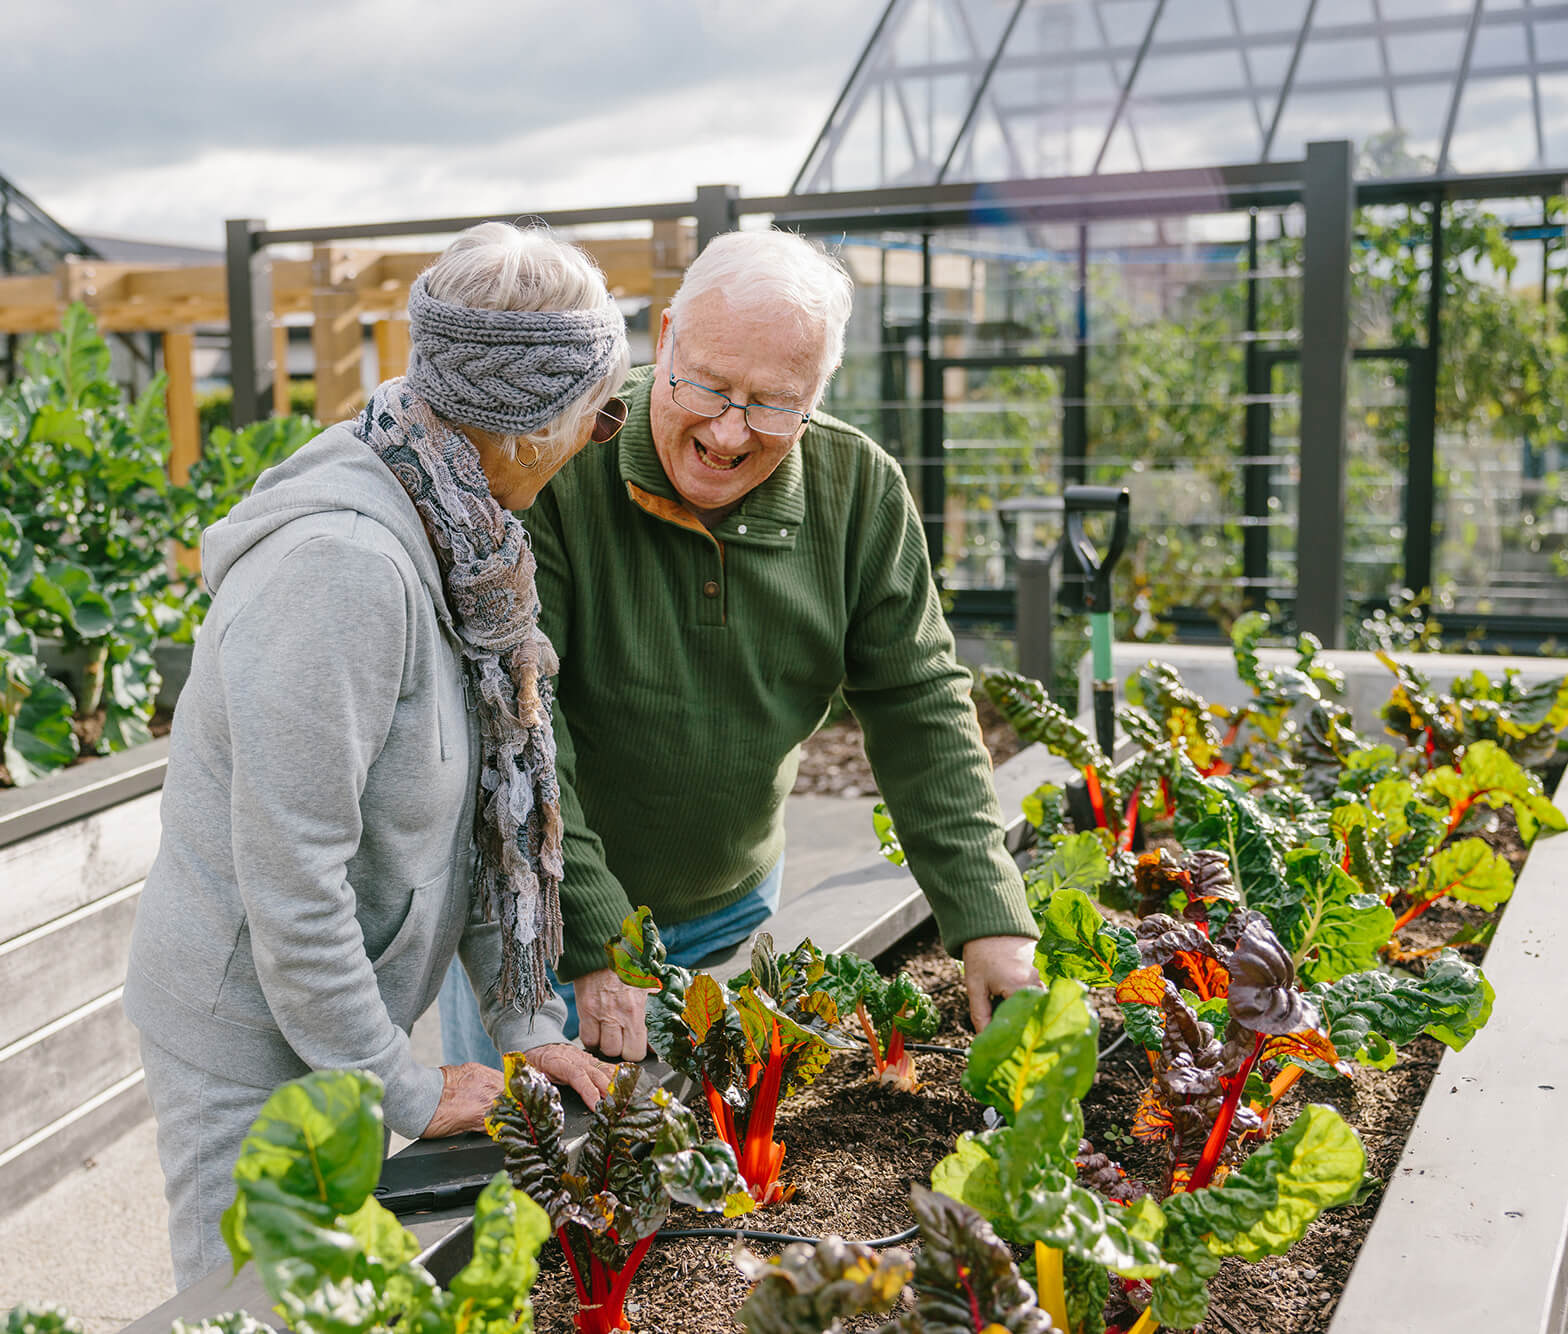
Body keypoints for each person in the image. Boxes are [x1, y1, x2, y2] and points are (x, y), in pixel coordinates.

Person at [125, 222, 624, 1290]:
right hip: (246, 1025)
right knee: (256, 1303)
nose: (600, 439)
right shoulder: (343, 572)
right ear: (533, 425)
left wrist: (525, 1025)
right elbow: (290, 882)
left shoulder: (464, 534)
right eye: (601, 414)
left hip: (327, 1010)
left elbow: (484, 814)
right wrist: (398, 1083)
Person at [439, 229, 1041, 1069]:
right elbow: (523, 723)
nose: (728, 432)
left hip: (735, 902)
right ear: (667, 338)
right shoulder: (559, 469)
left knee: (702, 1162)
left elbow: (919, 702)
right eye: (710, 387)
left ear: (819, 391)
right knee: (532, 1170)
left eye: (772, 403)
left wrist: (989, 916)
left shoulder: (859, 492)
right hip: (552, 920)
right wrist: (596, 936)